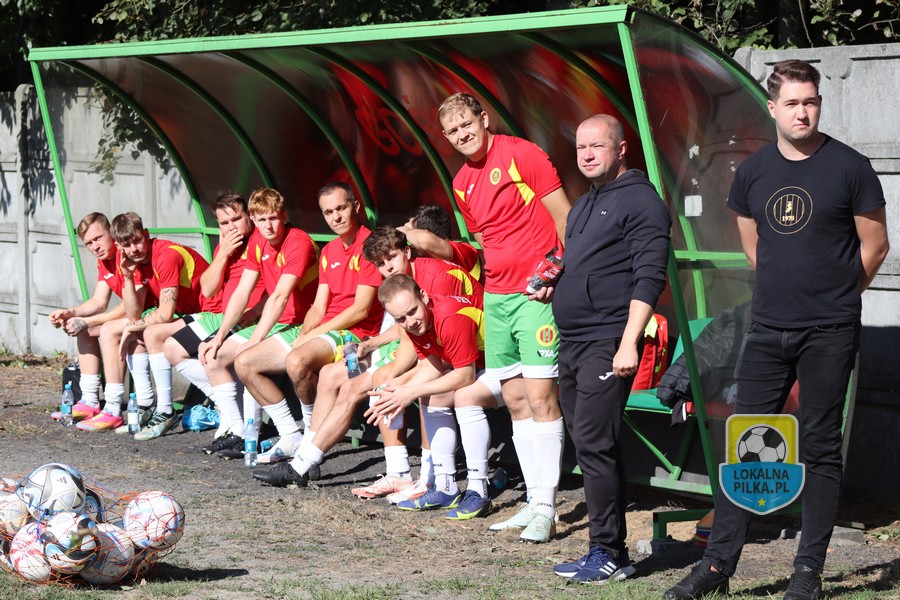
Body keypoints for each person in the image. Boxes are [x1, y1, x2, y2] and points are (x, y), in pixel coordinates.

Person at [664, 60, 888, 600]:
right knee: (746, 441)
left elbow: (876, 246)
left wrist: (837, 298)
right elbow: (754, 248)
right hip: (765, 328)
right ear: (772, 109)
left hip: (828, 331)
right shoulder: (754, 172)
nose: (802, 112)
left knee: (819, 446)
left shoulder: (851, 167)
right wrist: (785, 293)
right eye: (792, 103)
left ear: (819, 104)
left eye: (810, 102)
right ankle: (717, 565)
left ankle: (807, 571)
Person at [437, 92, 571, 542]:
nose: (462, 134)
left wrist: (558, 267)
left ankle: (547, 508)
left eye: (466, 124)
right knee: (514, 401)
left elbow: (565, 217)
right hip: (496, 299)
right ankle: (532, 502)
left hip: (535, 295)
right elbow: (485, 241)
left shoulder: (522, 154)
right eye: (453, 131)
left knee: (540, 398)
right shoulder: (461, 182)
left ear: (484, 118)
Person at [549, 114, 671, 583]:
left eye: (596, 146)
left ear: (621, 149)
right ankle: (606, 550)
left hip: (608, 341)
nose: (586, 155)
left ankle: (607, 552)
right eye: (581, 147)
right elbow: (584, 265)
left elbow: (649, 276)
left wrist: (628, 344)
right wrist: (553, 283)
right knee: (589, 443)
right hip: (573, 341)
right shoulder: (583, 204)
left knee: (594, 442)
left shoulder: (641, 201)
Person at [249, 182, 383, 464]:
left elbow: (360, 310)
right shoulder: (330, 250)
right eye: (328, 212)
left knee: (296, 361)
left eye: (341, 208)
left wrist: (312, 336)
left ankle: (309, 435)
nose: (336, 217)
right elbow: (319, 306)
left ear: (356, 207)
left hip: (354, 333)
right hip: (327, 329)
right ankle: (294, 435)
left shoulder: (370, 245)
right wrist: (305, 333)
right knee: (245, 362)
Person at [198, 188, 318, 459]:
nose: (268, 226)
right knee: (214, 355)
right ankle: (239, 431)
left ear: (284, 215)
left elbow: (280, 296)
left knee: (246, 358)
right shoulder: (257, 242)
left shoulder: (298, 241)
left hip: (304, 322)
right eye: (262, 219)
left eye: (273, 218)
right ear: (253, 218)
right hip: (277, 320)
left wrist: (254, 340)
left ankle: (271, 434)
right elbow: (242, 291)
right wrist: (220, 335)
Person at [143, 191, 266, 442]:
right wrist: (222, 254)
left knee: (210, 354)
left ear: (250, 216)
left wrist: (253, 312)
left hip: (249, 319)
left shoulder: (261, 239)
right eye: (224, 223)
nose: (231, 227)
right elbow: (208, 289)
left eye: (236, 219)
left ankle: (232, 415)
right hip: (222, 316)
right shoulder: (226, 246)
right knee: (171, 348)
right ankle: (226, 405)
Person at [107, 212, 216, 437]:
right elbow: (134, 313)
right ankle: (145, 406)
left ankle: (166, 411)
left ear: (146, 234)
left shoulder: (166, 255)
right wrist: (127, 277)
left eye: (137, 240)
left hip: (213, 314)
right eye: (127, 245)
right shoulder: (135, 263)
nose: (134, 249)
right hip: (192, 316)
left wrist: (132, 326)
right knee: (138, 333)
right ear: (119, 247)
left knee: (152, 333)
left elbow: (165, 314)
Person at [48, 213, 141, 422]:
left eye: (98, 238)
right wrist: (70, 313)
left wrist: (88, 321)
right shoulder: (104, 261)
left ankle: (113, 408)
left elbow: (130, 307)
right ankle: (89, 401)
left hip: (148, 313)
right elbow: (99, 301)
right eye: (89, 243)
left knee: (106, 330)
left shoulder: (127, 254)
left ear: (111, 232)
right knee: (84, 329)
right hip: (135, 315)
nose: (95, 247)